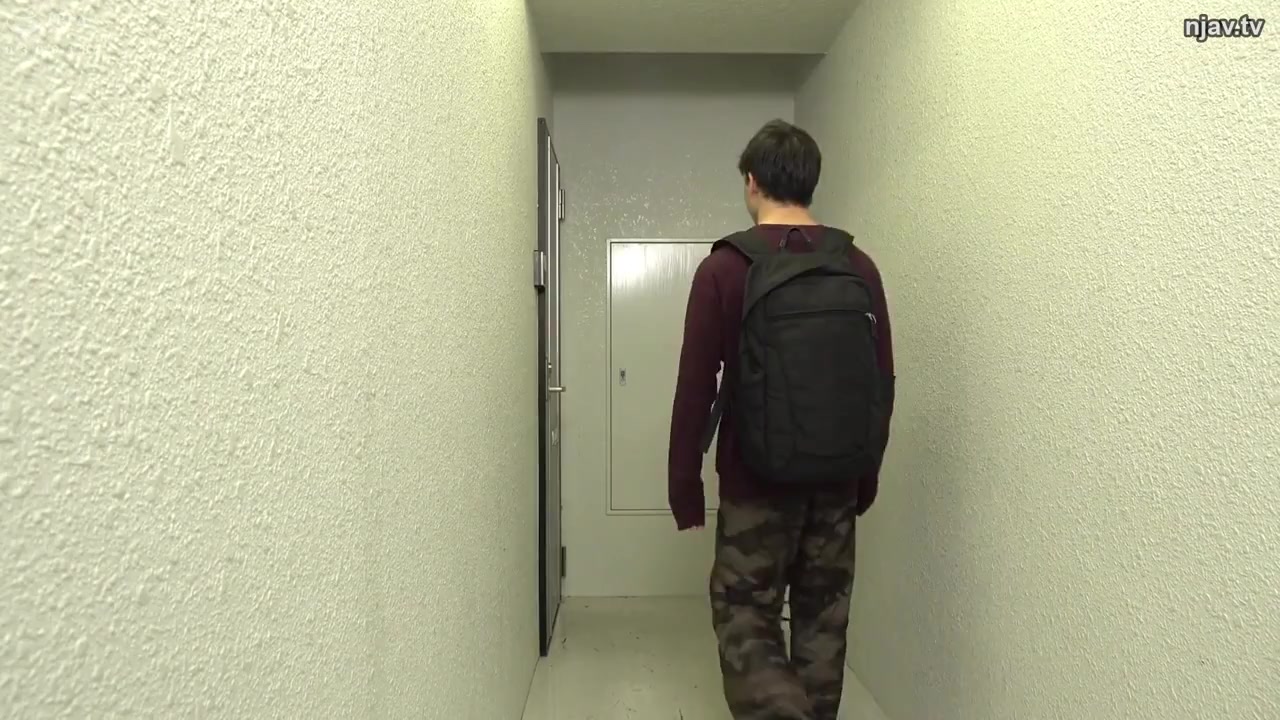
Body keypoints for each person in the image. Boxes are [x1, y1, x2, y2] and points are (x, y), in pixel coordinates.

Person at [667, 119, 895, 720]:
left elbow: (696, 385)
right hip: (837, 482)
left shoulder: (724, 269)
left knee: (745, 613)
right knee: (823, 621)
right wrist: (865, 478)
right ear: (810, 184)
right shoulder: (859, 266)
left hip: (755, 480)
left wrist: (684, 483)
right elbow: (882, 382)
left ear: (752, 181)